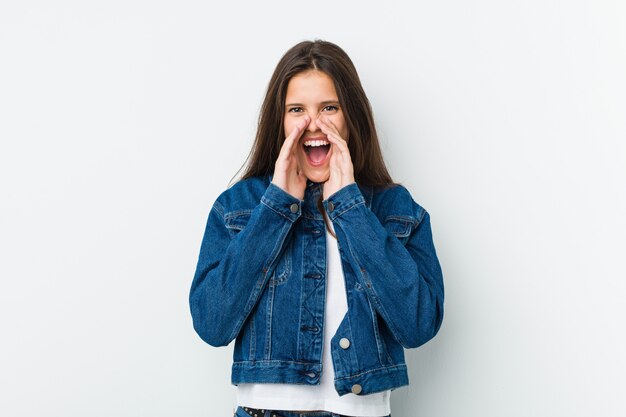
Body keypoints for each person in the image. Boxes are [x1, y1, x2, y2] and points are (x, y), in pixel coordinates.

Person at [189, 40, 444, 417]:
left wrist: (350, 208)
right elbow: (212, 324)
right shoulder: (238, 206)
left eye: (329, 107)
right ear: (280, 120)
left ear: (349, 117)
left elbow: (419, 325)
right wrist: (276, 208)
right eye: (297, 109)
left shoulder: (397, 209)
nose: (313, 123)